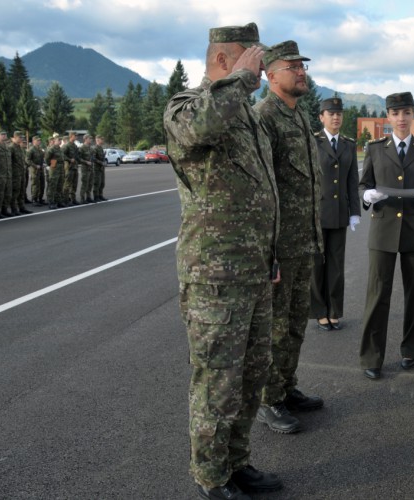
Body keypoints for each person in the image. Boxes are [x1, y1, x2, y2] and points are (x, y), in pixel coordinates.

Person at [163, 22, 283, 500]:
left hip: (254, 270)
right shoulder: (185, 107)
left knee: (250, 378)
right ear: (223, 60)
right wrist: (242, 80)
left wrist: (270, 254)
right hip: (214, 276)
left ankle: (236, 463)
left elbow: (262, 190)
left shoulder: (246, 114)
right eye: (250, 57)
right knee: (218, 381)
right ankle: (211, 479)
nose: (257, 66)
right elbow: (201, 128)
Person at [253, 40, 324, 435]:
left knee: (295, 323)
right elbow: (264, 188)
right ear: (269, 73)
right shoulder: (264, 117)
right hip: (281, 246)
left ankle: (286, 387)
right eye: (293, 65)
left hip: (304, 241)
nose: (302, 71)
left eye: (303, 65)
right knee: (276, 327)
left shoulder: (297, 114)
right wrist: (270, 250)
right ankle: (269, 399)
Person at [358, 91, 414, 380]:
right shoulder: (376, 149)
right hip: (383, 230)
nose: (401, 119)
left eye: (406, 113)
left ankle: (412, 350)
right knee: (377, 293)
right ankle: (371, 356)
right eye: (396, 113)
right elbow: (364, 184)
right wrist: (367, 195)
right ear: (388, 117)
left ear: (413, 114)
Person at [310, 97, 361, 331]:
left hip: (340, 213)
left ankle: (334, 311)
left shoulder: (348, 144)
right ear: (321, 117)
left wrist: (355, 212)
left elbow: (352, 181)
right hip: (317, 213)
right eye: (331, 113)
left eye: (339, 113)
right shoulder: (312, 142)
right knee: (317, 264)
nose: (336, 117)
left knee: (336, 266)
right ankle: (320, 311)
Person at [9, 132, 31, 215]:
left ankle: (21, 207)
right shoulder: (11, 148)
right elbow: (9, 162)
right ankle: (14, 208)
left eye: (22, 137)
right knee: (15, 191)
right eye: (19, 137)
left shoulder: (20, 148)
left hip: (22, 172)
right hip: (15, 174)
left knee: (22, 191)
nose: (21, 139)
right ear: (14, 138)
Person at [0, 130, 14, 218]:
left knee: (8, 193)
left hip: (8, 174)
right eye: (2, 134)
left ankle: (4, 209)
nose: (4, 136)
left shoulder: (7, 147)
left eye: (5, 134)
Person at [45, 133, 64, 210]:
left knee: (59, 186)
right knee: (52, 186)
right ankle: (51, 202)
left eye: (60, 140)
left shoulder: (59, 149)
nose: (60, 141)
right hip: (54, 169)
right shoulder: (51, 149)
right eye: (58, 140)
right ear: (54, 141)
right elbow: (47, 159)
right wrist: (52, 164)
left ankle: (58, 201)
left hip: (60, 169)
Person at [61, 132, 80, 205]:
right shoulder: (66, 146)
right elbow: (62, 155)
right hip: (69, 167)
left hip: (75, 167)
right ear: (71, 136)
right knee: (67, 184)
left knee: (74, 184)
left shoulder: (75, 146)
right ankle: (65, 200)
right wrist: (69, 159)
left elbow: (77, 156)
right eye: (75, 136)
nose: (76, 137)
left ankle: (73, 199)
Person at [27, 135, 46, 206]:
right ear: (33, 141)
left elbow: (43, 158)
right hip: (35, 170)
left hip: (41, 170)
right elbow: (27, 160)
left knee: (42, 184)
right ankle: (34, 199)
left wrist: (43, 163)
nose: (39, 142)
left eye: (39, 140)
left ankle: (40, 198)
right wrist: (35, 165)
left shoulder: (40, 149)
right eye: (37, 140)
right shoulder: (31, 150)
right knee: (35, 185)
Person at [78, 134, 94, 203]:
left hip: (90, 168)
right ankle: (82, 198)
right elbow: (79, 158)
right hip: (85, 168)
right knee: (85, 183)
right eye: (89, 139)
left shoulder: (90, 148)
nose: (91, 140)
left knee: (90, 183)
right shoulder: (82, 148)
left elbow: (92, 156)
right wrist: (86, 162)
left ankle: (88, 197)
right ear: (86, 139)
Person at [93, 135, 108, 202]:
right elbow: (93, 158)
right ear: (98, 140)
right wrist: (100, 162)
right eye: (102, 139)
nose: (103, 141)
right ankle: (96, 196)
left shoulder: (101, 148)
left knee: (102, 183)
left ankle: (100, 195)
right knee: (97, 183)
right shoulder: (95, 148)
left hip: (101, 168)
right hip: (96, 168)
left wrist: (104, 162)